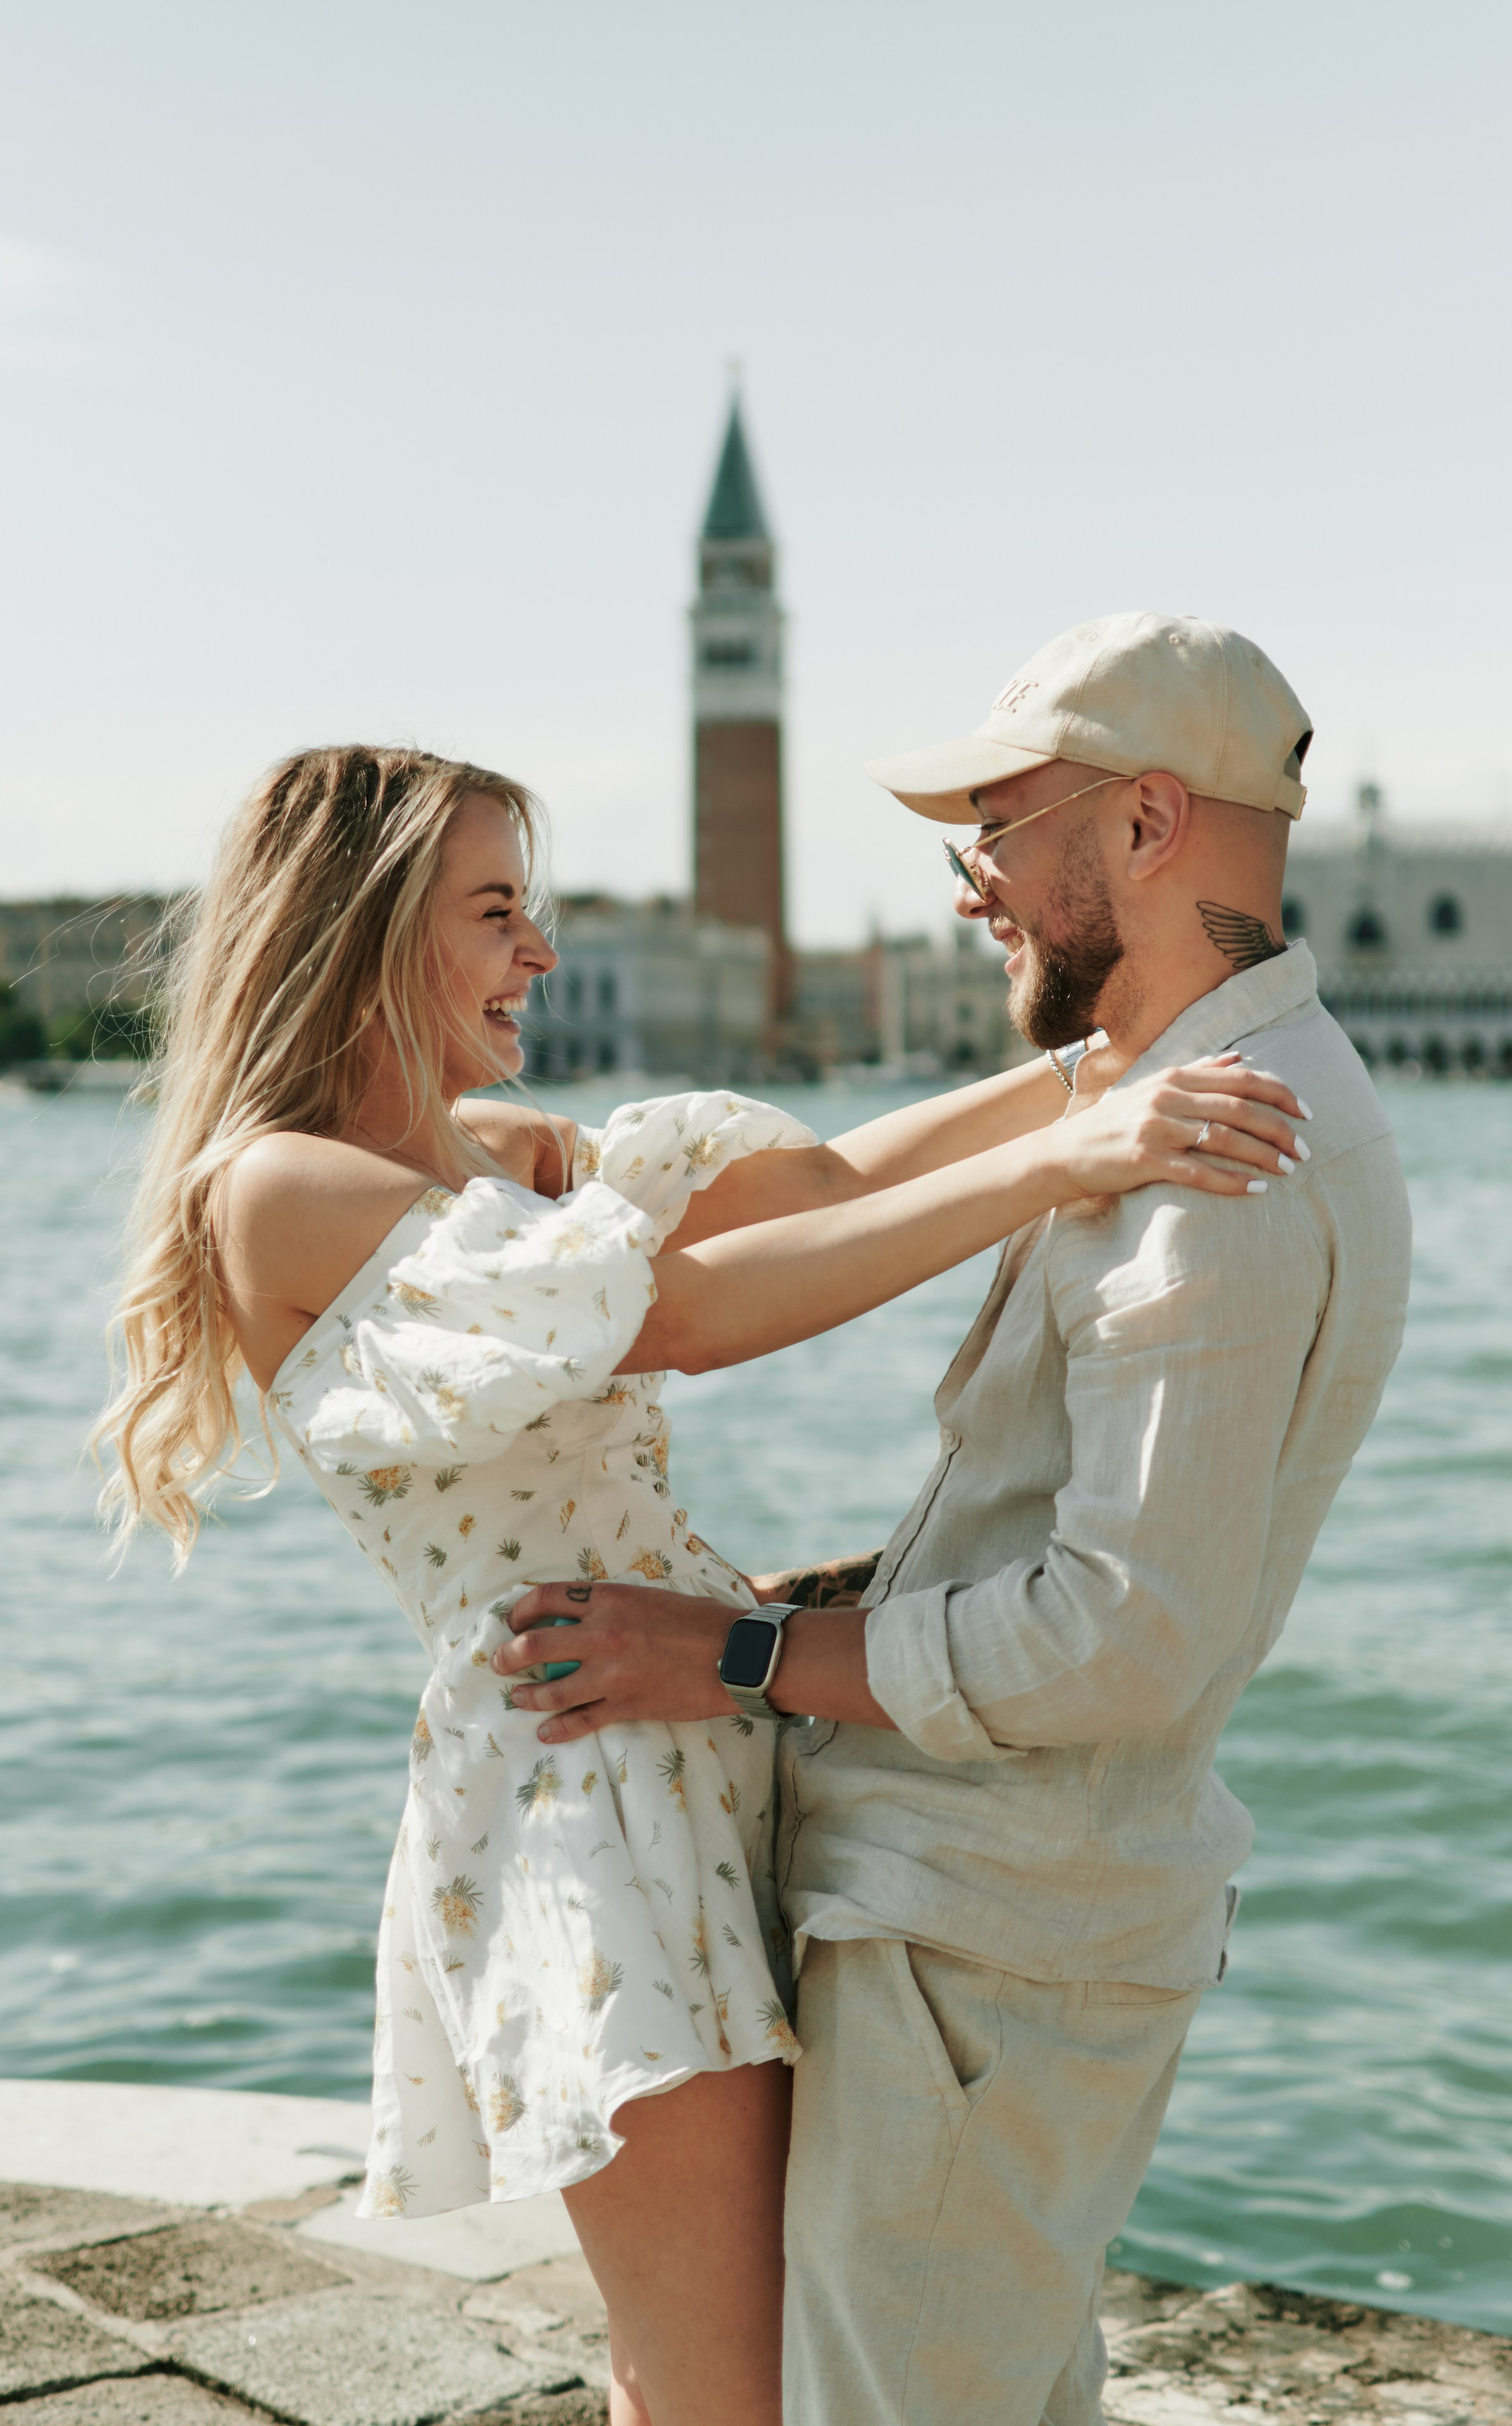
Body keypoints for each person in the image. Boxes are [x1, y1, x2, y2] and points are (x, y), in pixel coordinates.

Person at [94, 736, 1306, 2426]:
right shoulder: (278, 1188)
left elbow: (808, 1193)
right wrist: (1065, 1164)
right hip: (587, 1784)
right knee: (719, 2387)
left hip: (691, 1728)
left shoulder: (485, 1149)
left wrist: (1106, 1065)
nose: (540, 954)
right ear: (366, 929)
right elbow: (679, 1318)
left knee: (781, 2352)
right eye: (496, 911)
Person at [492, 613, 1412, 2426]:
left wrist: (741, 1657)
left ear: (1145, 827)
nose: (972, 888)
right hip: (1002, 1921)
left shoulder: (1215, 1169)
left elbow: (1122, 1634)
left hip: (1000, 1931)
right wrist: (822, 1597)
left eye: (997, 830)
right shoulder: (1181, 1099)